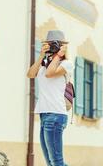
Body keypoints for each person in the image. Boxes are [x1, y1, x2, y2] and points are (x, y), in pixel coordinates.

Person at [27, 30, 73, 166]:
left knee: (56, 162)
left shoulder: (67, 64)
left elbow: (50, 74)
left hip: (56, 114)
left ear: (63, 46)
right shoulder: (43, 64)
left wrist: (59, 55)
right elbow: (30, 74)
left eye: (56, 44)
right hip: (44, 115)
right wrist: (41, 55)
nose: (53, 47)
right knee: (50, 162)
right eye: (50, 44)